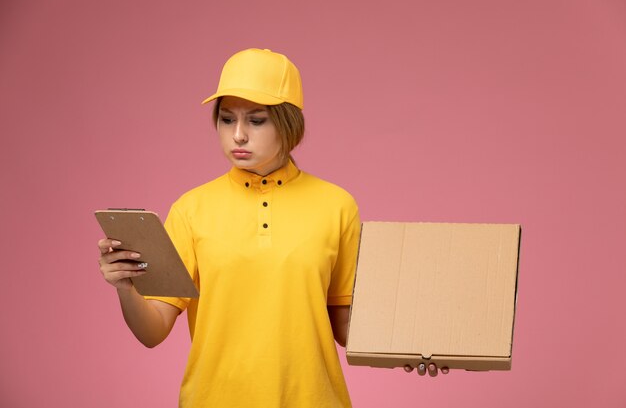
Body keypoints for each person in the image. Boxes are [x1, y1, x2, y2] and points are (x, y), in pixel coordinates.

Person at [98, 48, 446, 408]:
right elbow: (153, 332)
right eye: (227, 119)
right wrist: (126, 288)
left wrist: (414, 346)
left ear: (288, 122)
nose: (238, 135)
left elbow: (345, 329)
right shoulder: (190, 210)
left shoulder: (336, 205)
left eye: (257, 120)